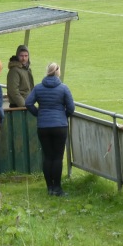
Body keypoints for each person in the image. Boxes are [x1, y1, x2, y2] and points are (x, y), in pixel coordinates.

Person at [25, 62, 75, 197]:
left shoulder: (39, 88)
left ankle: (50, 187)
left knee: (48, 157)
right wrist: (63, 116)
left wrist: (38, 113)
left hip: (43, 126)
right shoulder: (63, 88)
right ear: (57, 72)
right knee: (58, 157)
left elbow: (28, 103)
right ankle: (57, 188)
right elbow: (71, 107)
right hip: (60, 126)